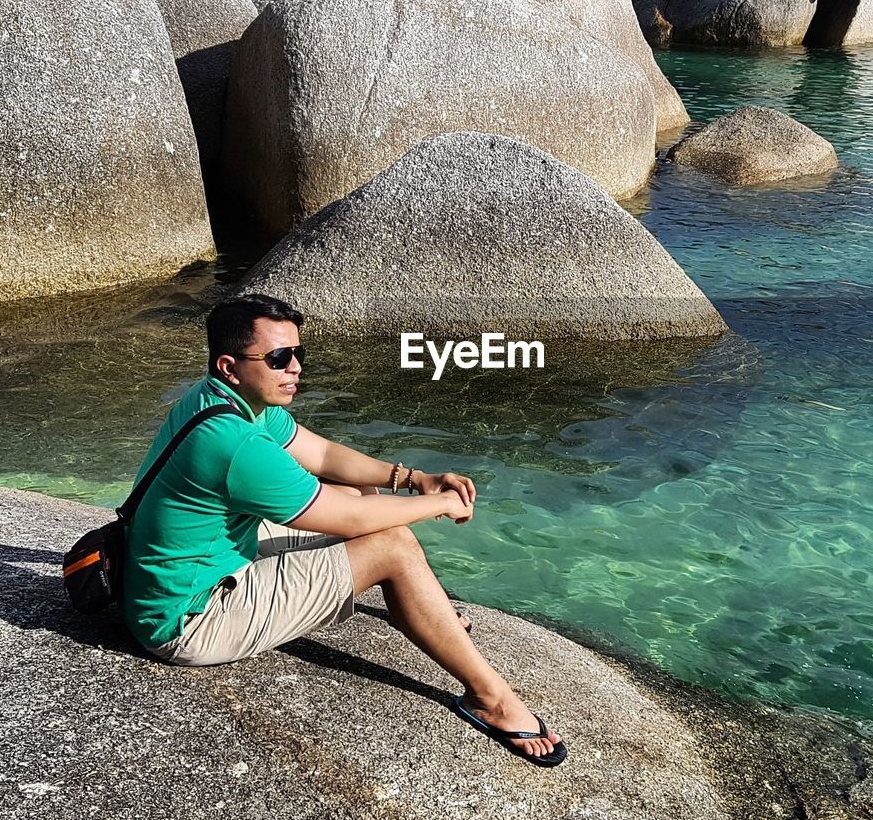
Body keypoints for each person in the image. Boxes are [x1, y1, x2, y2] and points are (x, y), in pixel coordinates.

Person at [120, 293, 566, 767]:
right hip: (192, 619)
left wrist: (413, 478)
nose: (294, 368)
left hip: (192, 568)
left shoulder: (223, 398)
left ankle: (417, 606)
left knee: (357, 493)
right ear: (230, 366)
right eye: (277, 358)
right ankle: (491, 700)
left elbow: (325, 457)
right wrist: (439, 503)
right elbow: (350, 523)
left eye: (297, 354)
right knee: (391, 544)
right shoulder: (234, 442)